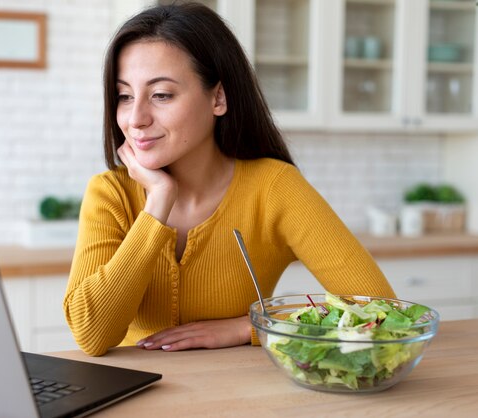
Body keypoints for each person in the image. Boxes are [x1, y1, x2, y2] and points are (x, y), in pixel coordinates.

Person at [63, 2, 395, 357]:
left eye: (161, 95)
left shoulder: (275, 187)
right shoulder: (110, 193)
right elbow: (90, 334)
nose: (136, 118)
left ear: (218, 97)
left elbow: (380, 310)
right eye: (124, 96)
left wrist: (251, 325)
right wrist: (158, 200)